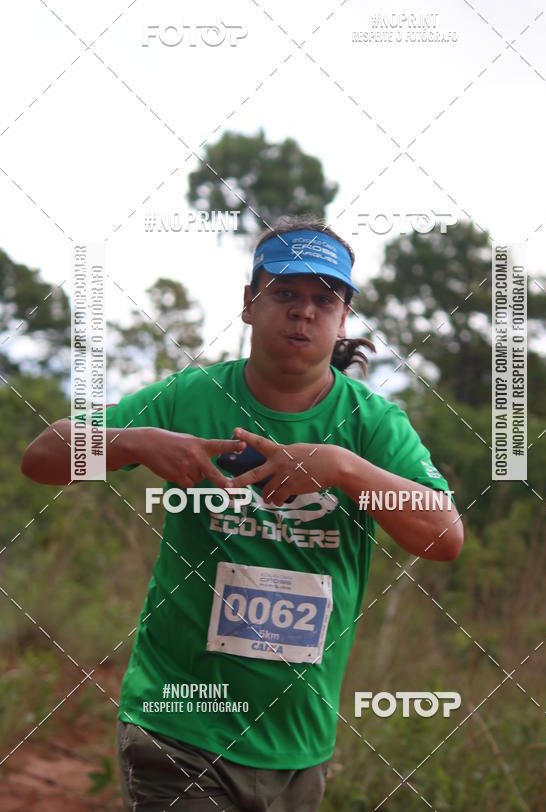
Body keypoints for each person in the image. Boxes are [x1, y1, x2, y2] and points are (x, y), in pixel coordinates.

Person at [21, 217, 463, 811]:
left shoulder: (371, 426)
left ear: (343, 318)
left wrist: (343, 469)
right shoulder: (191, 397)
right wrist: (133, 443)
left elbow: (443, 537)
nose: (303, 312)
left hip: (297, 743)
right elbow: (43, 456)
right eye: (284, 293)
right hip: (179, 724)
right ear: (250, 304)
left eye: (322, 299)